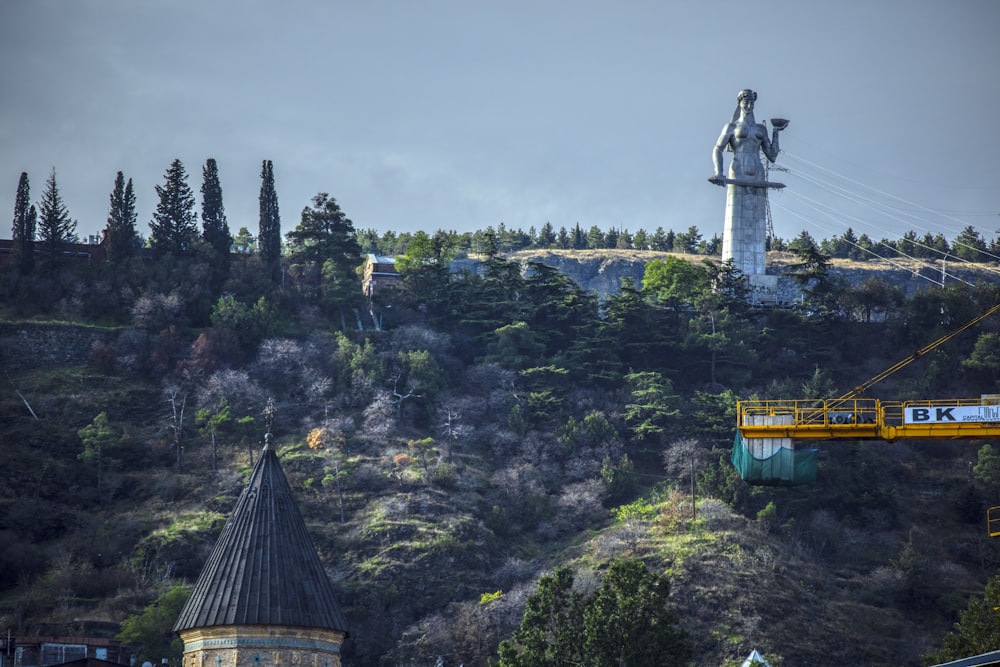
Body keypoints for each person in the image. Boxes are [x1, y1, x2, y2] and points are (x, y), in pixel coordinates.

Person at [711, 88, 785, 185]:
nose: (749, 106)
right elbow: (717, 149)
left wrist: (776, 132)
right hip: (737, 171)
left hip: (758, 172)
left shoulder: (761, 129)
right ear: (740, 103)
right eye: (746, 102)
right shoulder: (731, 127)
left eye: (752, 103)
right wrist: (718, 172)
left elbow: (772, 156)